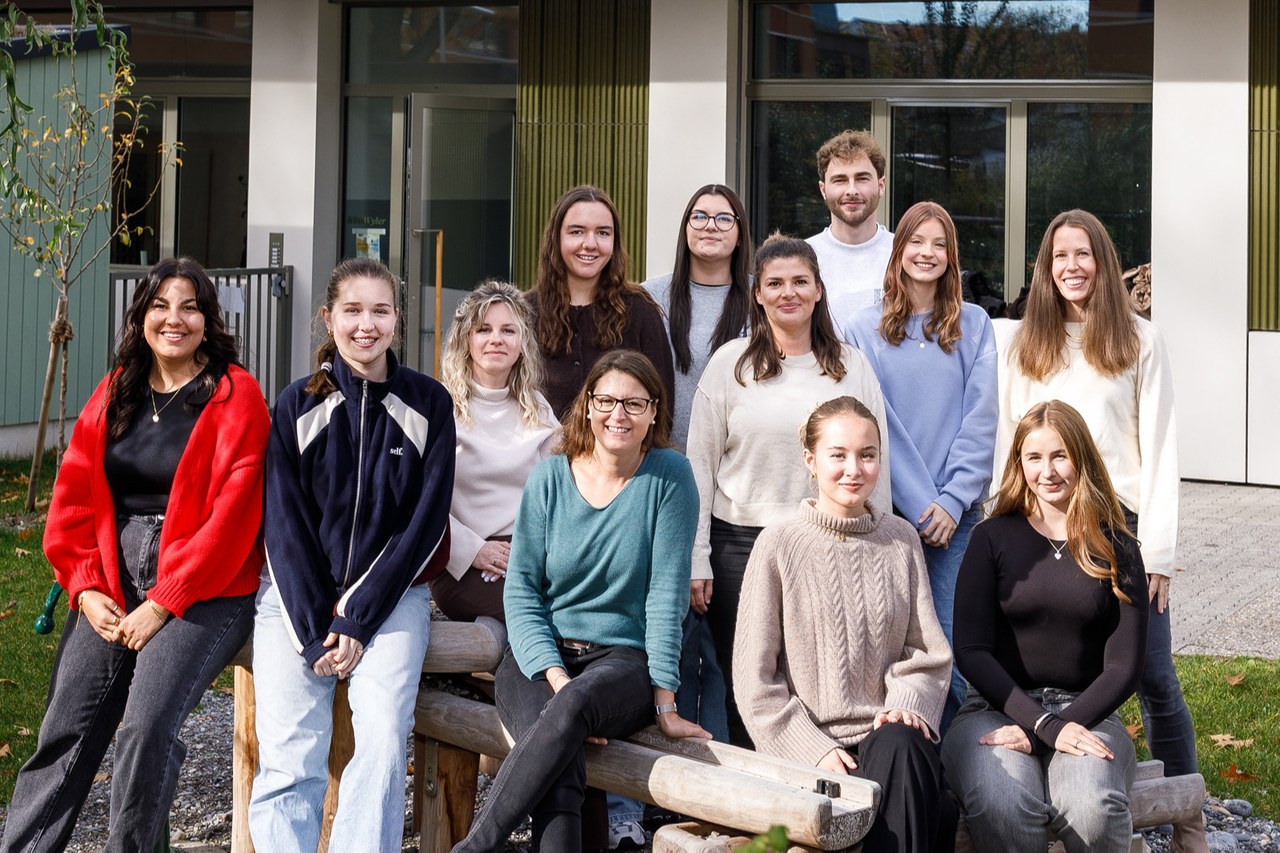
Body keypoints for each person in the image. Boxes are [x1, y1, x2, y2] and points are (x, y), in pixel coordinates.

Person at [3, 257, 268, 853]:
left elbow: (233, 521)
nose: (175, 319)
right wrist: (85, 586)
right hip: (113, 574)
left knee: (147, 729)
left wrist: (164, 602)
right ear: (141, 317)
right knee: (65, 729)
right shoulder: (117, 388)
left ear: (208, 320)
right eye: (160, 306)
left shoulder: (236, 395)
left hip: (208, 584)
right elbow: (73, 496)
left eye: (190, 307)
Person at [452, 350, 710, 853]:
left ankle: (474, 847)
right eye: (607, 401)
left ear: (654, 412)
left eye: (635, 404)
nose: (619, 415)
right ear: (588, 406)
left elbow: (666, 596)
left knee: (568, 716)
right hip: (539, 658)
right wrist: (557, 679)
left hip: (623, 663)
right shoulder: (550, 478)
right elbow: (521, 590)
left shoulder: (670, 477)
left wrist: (665, 702)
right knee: (560, 764)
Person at [249, 258, 455, 852]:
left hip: (393, 600)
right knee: (289, 756)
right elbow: (283, 526)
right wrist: (317, 627)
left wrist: (357, 616)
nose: (367, 325)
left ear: (398, 318)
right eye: (353, 310)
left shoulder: (429, 404)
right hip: (295, 602)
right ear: (328, 317)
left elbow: (423, 526)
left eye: (380, 311)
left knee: (385, 742)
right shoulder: (297, 404)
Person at [996, 209, 1198, 785]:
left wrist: (1158, 554)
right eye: (1060, 256)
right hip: (1044, 527)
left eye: (1082, 253)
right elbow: (1010, 440)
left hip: (1120, 529)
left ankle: (1186, 800)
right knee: (1051, 669)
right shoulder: (1025, 343)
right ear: (1045, 267)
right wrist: (1002, 526)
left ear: (1103, 261)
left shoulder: (1140, 340)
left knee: (1153, 674)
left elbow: (1161, 449)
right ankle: (1047, 782)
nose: (1071, 266)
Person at [686, 233, 891, 747]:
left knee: (820, 675)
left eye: (800, 281)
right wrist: (697, 555)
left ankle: (817, 779)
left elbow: (876, 462)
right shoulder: (730, 364)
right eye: (774, 283)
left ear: (819, 289)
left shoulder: (851, 366)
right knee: (747, 680)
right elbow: (700, 465)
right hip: (740, 543)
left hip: (830, 542)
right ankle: (754, 788)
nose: (788, 293)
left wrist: (881, 544)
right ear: (757, 294)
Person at [735, 396, 951, 853]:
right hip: (808, 749)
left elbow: (925, 652)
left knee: (905, 747)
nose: (854, 469)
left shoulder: (901, 540)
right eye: (838, 455)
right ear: (810, 461)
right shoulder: (778, 546)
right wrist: (811, 749)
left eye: (867, 455)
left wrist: (907, 704)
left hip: (884, 739)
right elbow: (755, 682)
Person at [943, 400, 1149, 852]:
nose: (1047, 471)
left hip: (1088, 713)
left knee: (1093, 808)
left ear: (1082, 458)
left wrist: (1054, 728)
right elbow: (972, 650)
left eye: (1060, 456)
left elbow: (1123, 668)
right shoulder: (990, 538)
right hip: (994, 709)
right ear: (1019, 463)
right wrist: (1041, 724)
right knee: (1004, 802)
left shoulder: (1118, 546)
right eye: (1034, 457)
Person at [848, 201, 998, 733]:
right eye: (916, 241)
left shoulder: (974, 325)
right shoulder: (862, 329)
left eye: (939, 244)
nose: (927, 253)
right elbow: (875, 422)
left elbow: (981, 418)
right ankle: (894, 754)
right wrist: (920, 504)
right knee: (886, 647)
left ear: (952, 256)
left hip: (955, 522)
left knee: (950, 650)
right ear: (899, 250)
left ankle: (951, 765)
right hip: (887, 515)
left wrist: (951, 502)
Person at [434, 280, 558, 621]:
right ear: (466, 340)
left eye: (508, 330)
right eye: (484, 329)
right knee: (540, 612)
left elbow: (564, 491)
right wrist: (475, 550)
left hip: (529, 553)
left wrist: (531, 552)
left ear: (522, 344)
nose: (496, 339)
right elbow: (420, 503)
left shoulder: (537, 407)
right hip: (463, 562)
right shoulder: (440, 408)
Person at [528, 184, 676, 420]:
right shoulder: (525, 313)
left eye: (603, 233)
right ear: (556, 238)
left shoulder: (640, 312)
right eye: (577, 232)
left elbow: (662, 408)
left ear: (615, 242)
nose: (590, 243)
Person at [806, 129, 893, 338]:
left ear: (881, 185)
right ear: (823, 189)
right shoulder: (803, 256)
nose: (852, 190)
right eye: (840, 180)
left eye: (862, 178)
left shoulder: (904, 254)